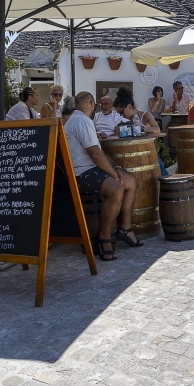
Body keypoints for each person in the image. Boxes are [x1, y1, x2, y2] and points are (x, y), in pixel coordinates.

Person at [63, 91, 141, 260]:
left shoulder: (83, 120)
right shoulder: (81, 121)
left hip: (90, 169)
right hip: (81, 173)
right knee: (116, 188)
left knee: (130, 182)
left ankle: (125, 228)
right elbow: (95, 155)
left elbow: (100, 152)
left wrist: (117, 168)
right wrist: (114, 175)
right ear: (92, 103)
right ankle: (105, 238)